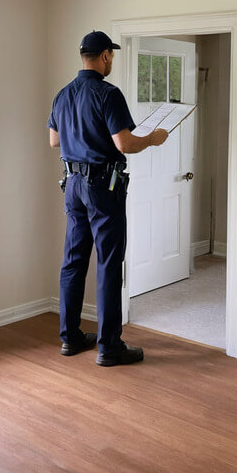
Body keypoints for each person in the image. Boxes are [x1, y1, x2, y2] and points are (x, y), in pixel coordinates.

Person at [48, 30, 168, 366]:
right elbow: (125, 144)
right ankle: (109, 347)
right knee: (108, 264)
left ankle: (70, 339)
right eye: (111, 55)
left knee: (73, 262)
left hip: (72, 184)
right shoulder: (108, 93)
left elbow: (54, 142)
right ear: (104, 57)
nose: (111, 60)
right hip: (103, 188)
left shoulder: (62, 94)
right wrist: (153, 138)